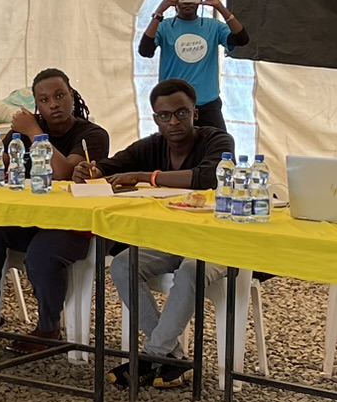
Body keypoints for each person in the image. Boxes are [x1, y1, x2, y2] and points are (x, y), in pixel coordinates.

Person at [0, 68, 110, 352]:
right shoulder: (23, 130)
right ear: (36, 104)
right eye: (44, 100)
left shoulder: (92, 134)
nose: (53, 104)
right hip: (30, 219)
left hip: (72, 225)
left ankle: (49, 327)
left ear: (72, 96)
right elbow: (3, 161)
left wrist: (35, 133)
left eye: (59, 96)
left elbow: (65, 173)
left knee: (42, 254)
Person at [99, 80, 237, 385]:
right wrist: (92, 170)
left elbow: (208, 177)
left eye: (181, 113)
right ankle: (171, 358)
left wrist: (146, 176)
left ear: (195, 114)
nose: (173, 122)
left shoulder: (218, 141)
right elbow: (112, 166)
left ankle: (151, 354)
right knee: (123, 264)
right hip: (176, 239)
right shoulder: (152, 145)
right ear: (155, 118)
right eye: (164, 116)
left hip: (219, 243)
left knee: (191, 270)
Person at [138, 0, 249, 133]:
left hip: (207, 104)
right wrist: (160, 10)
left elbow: (241, 39)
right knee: (174, 152)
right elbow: (145, 51)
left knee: (221, 148)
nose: (188, 0)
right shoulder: (164, 26)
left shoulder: (213, 26)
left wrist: (219, 6)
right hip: (174, 106)